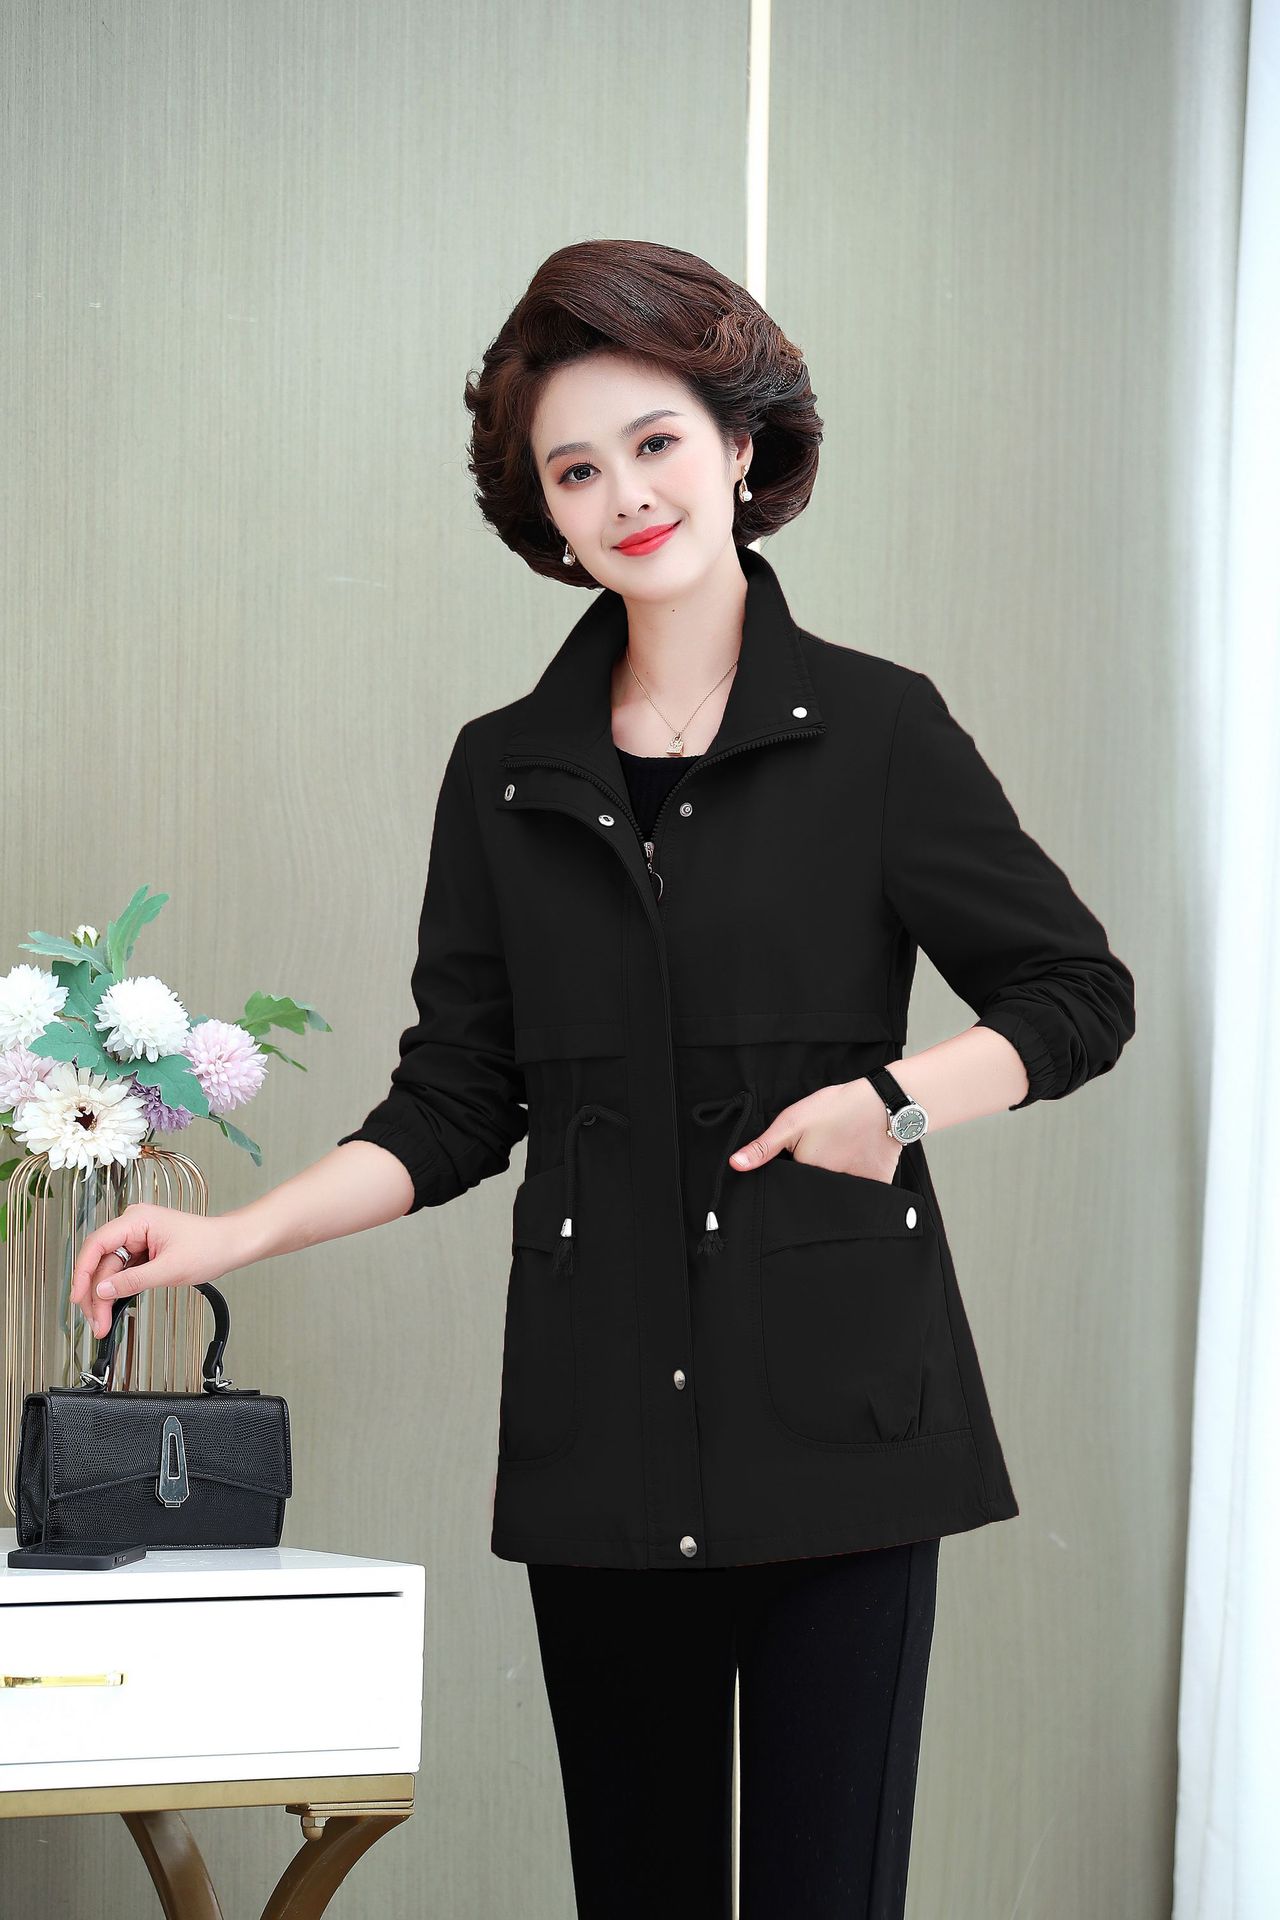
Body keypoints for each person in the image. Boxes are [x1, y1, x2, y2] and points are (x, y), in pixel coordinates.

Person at [69, 240, 1136, 1918]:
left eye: (655, 443)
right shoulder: (505, 774)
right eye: (577, 470)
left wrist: (898, 1102)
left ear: (739, 447)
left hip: (844, 1419)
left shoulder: (878, 733)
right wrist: (230, 1238)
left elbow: (1076, 994)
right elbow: (454, 1098)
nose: (626, 494)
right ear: (546, 515)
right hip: (603, 1431)